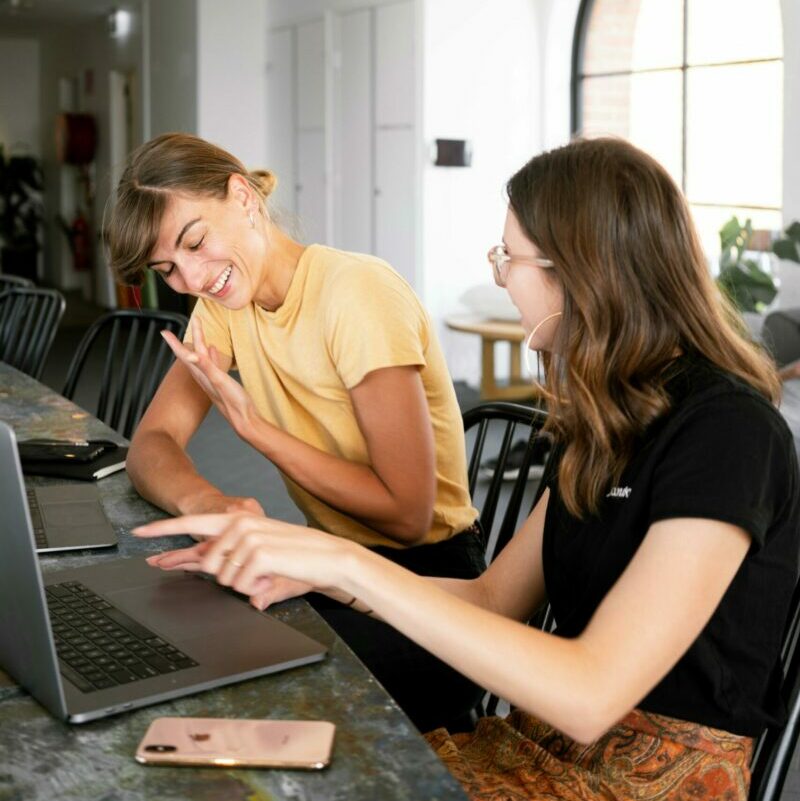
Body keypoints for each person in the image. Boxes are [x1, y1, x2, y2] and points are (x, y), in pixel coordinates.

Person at [133, 137, 799, 801]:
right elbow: (491, 599)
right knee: (242, 766)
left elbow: (592, 692)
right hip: (539, 746)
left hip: (645, 779)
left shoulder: (728, 431)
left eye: (509, 256)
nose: (501, 274)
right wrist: (308, 568)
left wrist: (339, 562)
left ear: (582, 269)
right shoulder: (610, 419)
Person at [106, 132, 486, 732]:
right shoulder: (226, 307)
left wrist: (255, 429)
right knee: (181, 628)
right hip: (330, 567)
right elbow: (151, 445)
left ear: (242, 197)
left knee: (232, 678)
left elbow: (409, 514)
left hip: (431, 592)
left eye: (197, 242)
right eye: (168, 269)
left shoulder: (355, 292)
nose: (193, 279)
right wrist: (213, 503)